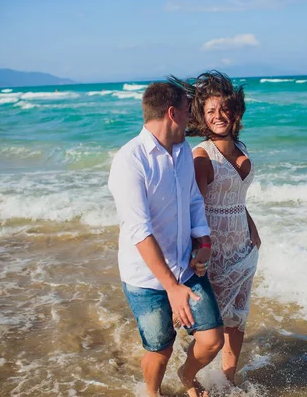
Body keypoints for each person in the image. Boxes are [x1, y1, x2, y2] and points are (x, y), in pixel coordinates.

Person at [108, 81, 224, 397]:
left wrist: (203, 241)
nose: (192, 121)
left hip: (186, 266)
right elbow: (139, 230)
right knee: (160, 349)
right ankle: (152, 393)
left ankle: (187, 376)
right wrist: (171, 288)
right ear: (172, 113)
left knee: (213, 340)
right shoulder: (129, 161)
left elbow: (192, 200)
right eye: (188, 113)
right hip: (146, 279)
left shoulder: (183, 151)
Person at [180, 71, 261, 385]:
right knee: (209, 328)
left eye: (223, 110)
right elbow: (194, 207)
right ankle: (188, 376)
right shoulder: (203, 157)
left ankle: (229, 378)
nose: (218, 117)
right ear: (202, 116)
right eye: (210, 111)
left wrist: (251, 225)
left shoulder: (240, 146)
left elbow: (237, 197)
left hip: (244, 247)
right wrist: (198, 251)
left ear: (235, 111)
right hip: (214, 253)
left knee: (238, 320)